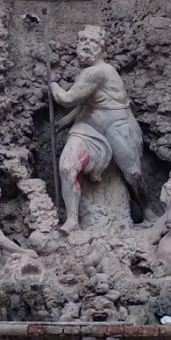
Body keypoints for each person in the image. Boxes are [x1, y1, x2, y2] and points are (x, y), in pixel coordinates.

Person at [50, 25, 155, 234]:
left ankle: (147, 211)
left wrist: (52, 85)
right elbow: (86, 102)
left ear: (102, 48)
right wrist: (63, 123)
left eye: (92, 42)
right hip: (88, 125)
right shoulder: (86, 72)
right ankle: (72, 220)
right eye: (83, 41)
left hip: (116, 126)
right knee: (66, 166)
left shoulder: (100, 72)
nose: (87, 45)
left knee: (133, 173)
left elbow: (68, 99)